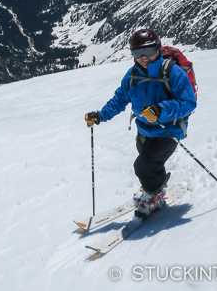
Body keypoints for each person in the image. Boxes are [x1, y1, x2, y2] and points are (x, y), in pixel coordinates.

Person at [84, 28, 196, 219]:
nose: (143, 57)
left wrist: (160, 110)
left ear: (158, 49)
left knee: (143, 165)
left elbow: (188, 103)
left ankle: (155, 195)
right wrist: (101, 116)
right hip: (143, 131)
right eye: (137, 53)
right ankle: (155, 185)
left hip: (167, 131)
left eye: (149, 51)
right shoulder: (133, 75)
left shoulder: (173, 72)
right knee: (150, 165)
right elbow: (120, 99)